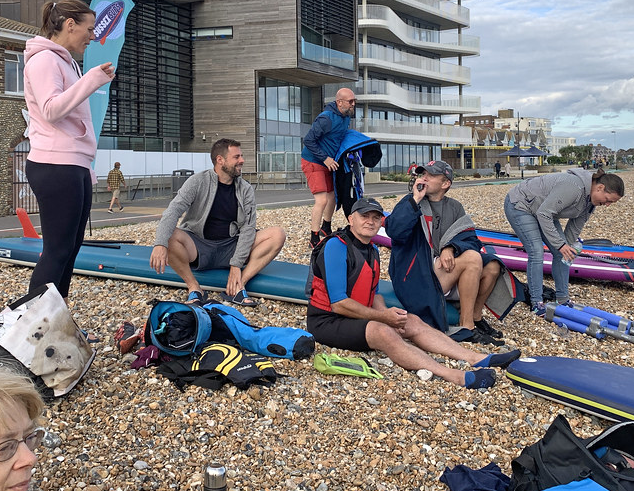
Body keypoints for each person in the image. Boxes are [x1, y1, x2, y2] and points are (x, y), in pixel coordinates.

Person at [306, 197, 520, 390]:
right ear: (351, 219)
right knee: (383, 332)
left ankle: (477, 358)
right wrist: (383, 318)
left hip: (357, 315)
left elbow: (375, 294)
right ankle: (454, 375)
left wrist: (389, 314)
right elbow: (339, 304)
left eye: (376, 217)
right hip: (328, 321)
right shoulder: (336, 246)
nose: (370, 222)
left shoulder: (372, 250)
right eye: (364, 216)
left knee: (412, 321)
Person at [23, 0, 114, 302]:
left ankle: (55, 317)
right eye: (90, 29)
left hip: (73, 163)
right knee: (57, 250)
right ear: (70, 25)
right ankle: (33, 320)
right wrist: (91, 80)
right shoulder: (44, 60)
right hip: (55, 164)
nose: (93, 36)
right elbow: (51, 110)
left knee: (70, 249)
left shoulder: (66, 62)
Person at [150, 138, 286, 307]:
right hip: (199, 245)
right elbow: (172, 212)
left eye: (241, 156)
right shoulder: (198, 181)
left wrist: (236, 264)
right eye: (236, 157)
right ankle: (194, 288)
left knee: (277, 234)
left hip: (231, 245)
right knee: (169, 234)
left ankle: (237, 286)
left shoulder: (245, 189)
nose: (242, 160)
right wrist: (160, 244)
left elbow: (248, 228)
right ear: (220, 160)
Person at [385, 161, 503, 342]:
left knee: (492, 266)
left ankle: (475, 316)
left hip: (443, 270)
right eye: (423, 174)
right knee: (472, 259)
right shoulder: (410, 203)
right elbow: (394, 231)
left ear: (445, 183)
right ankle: (467, 327)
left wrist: (451, 248)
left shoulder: (455, 207)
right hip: (416, 275)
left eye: (431, 175)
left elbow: (470, 238)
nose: (424, 178)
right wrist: (415, 199)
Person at [504, 167, 625, 314]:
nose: (607, 205)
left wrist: (566, 248)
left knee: (563, 254)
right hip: (520, 204)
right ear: (600, 188)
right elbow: (544, 214)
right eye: (608, 200)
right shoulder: (574, 187)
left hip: (543, 210)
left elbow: (574, 228)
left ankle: (562, 299)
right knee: (536, 251)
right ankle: (536, 302)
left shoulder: (590, 203)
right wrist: (560, 244)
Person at [300, 87, 357, 247]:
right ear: (339, 102)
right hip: (313, 161)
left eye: (354, 101)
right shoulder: (326, 119)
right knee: (322, 200)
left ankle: (326, 227)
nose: (353, 104)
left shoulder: (346, 117)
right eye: (350, 101)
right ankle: (314, 238)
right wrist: (325, 158)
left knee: (333, 196)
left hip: (329, 162)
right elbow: (308, 140)